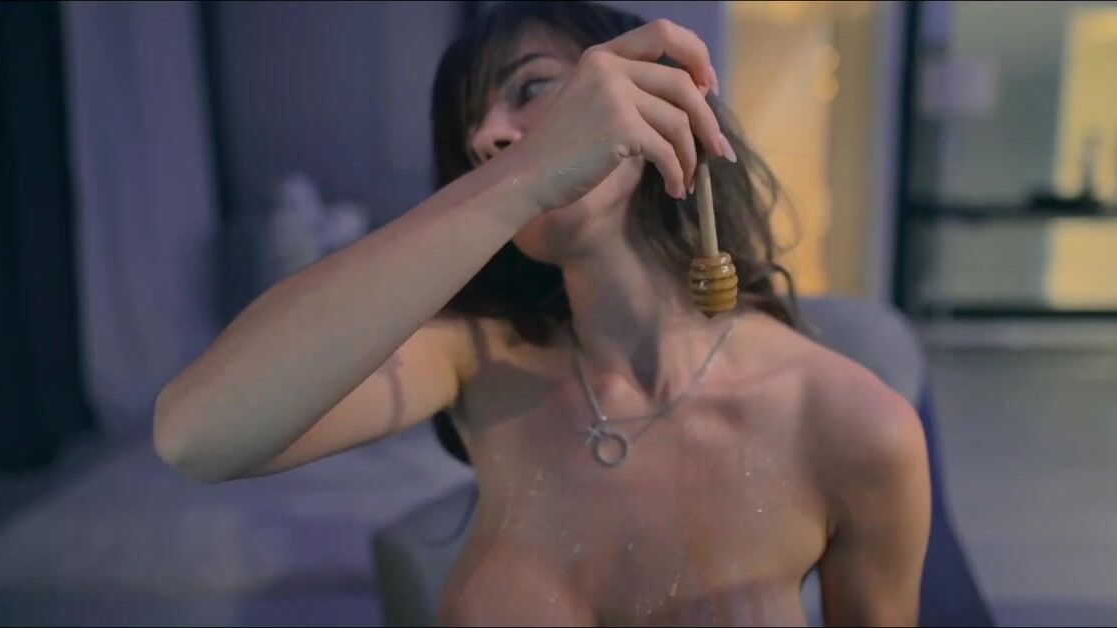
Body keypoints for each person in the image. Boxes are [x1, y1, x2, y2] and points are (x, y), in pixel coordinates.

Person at [153, 2, 930, 625]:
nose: (490, 138)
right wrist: (523, 176)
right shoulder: (476, 358)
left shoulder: (852, 424)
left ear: (663, 103)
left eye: (530, 90)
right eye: (472, 146)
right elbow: (198, 434)